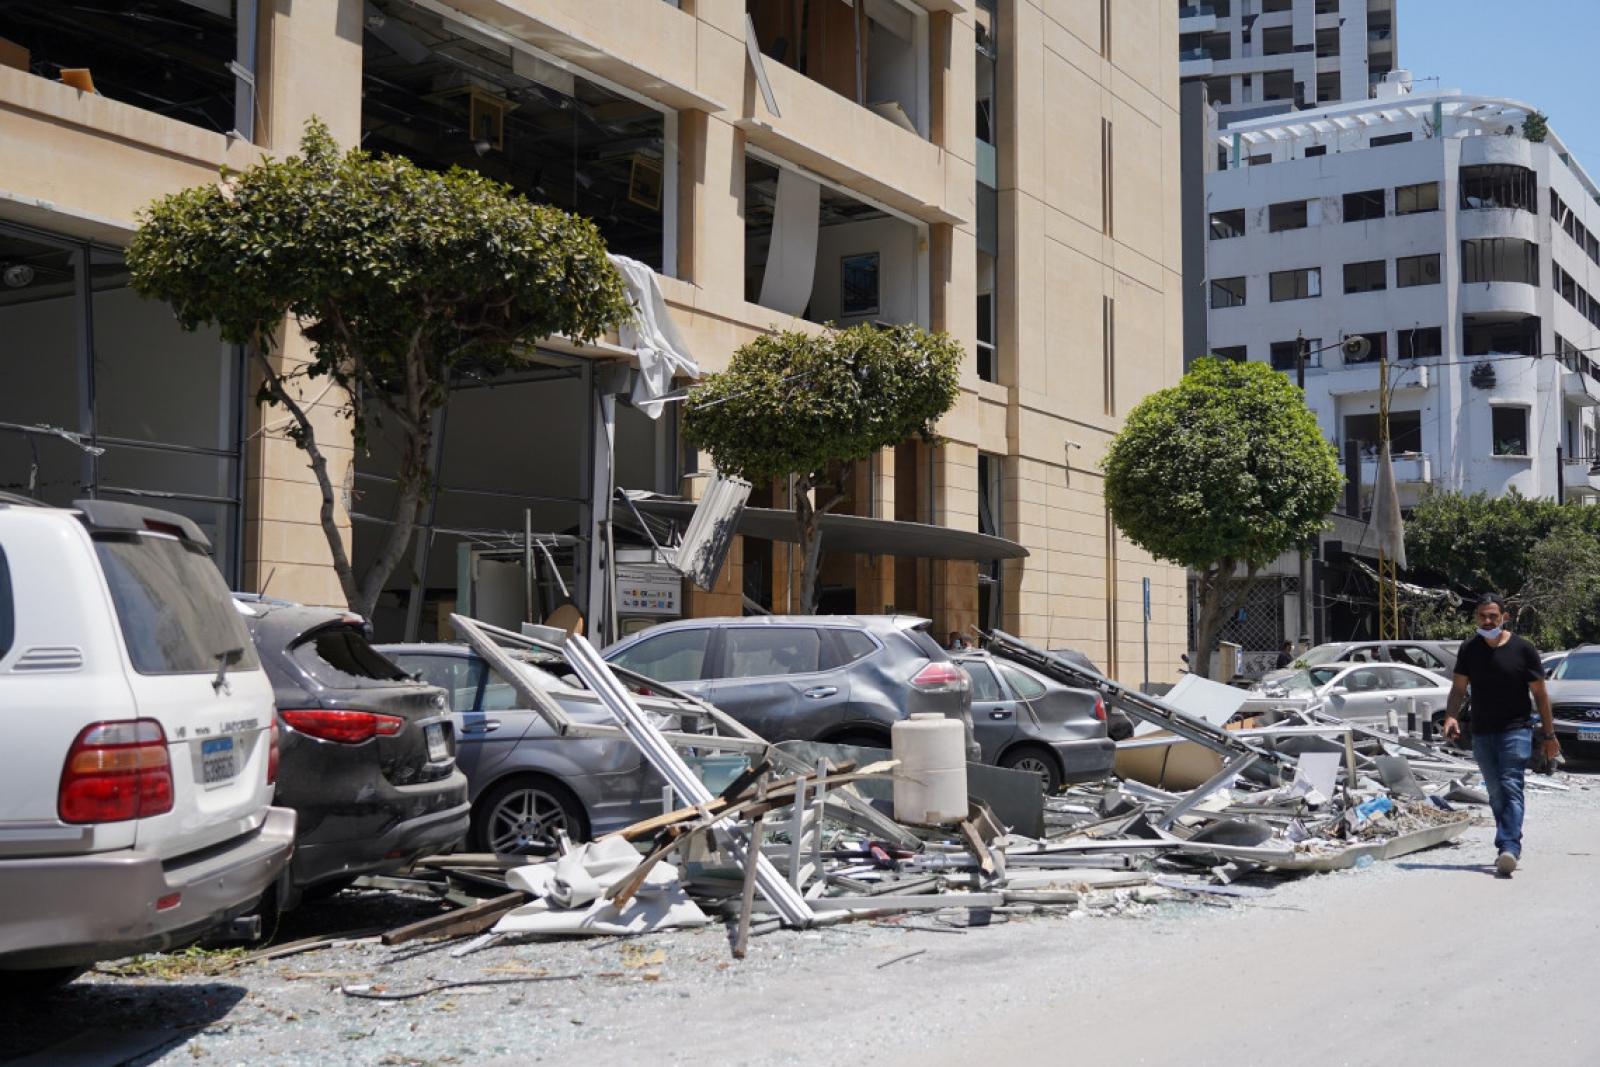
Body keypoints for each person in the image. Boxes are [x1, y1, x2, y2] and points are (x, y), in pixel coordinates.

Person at [1442, 593, 1560, 877]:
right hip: (1482, 732)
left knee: (1511, 785)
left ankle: (1508, 847)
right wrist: (1450, 716)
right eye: (1482, 615)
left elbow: (1540, 695)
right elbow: (1459, 688)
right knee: (1495, 792)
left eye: (1493, 616)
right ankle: (1507, 843)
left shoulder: (1523, 649)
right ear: (1476, 618)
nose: (1487, 621)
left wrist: (1549, 734)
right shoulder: (1469, 649)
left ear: (1504, 617)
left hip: (1516, 730)